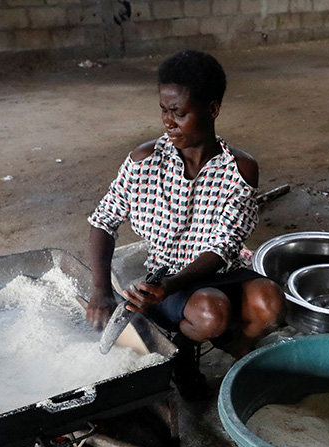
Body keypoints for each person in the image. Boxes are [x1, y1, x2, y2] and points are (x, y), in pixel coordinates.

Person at [86, 50, 285, 400]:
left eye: (179, 113)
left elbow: (223, 246)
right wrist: (100, 289)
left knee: (269, 303)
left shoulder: (239, 168)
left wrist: (172, 286)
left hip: (215, 270)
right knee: (210, 312)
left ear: (212, 110)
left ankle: (235, 351)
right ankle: (184, 351)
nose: (168, 121)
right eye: (164, 110)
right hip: (167, 275)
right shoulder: (144, 162)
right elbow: (103, 221)